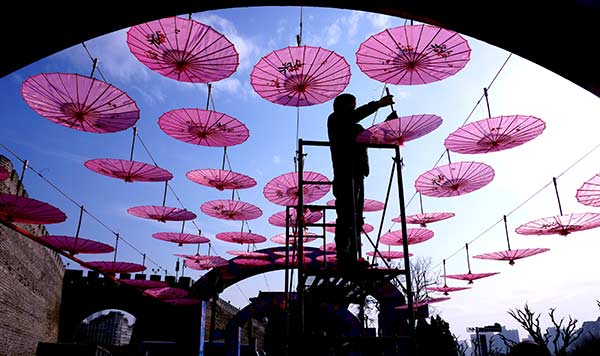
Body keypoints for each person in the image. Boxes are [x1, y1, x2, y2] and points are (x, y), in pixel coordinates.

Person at [327, 93, 396, 270]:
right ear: (343, 106)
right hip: (344, 174)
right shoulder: (335, 120)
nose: (354, 108)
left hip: (358, 175)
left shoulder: (356, 127)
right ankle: (344, 257)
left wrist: (388, 124)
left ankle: (354, 256)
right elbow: (351, 117)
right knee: (346, 217)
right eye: (352, 105)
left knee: (356, 219)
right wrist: (378, 104)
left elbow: (372, 136)